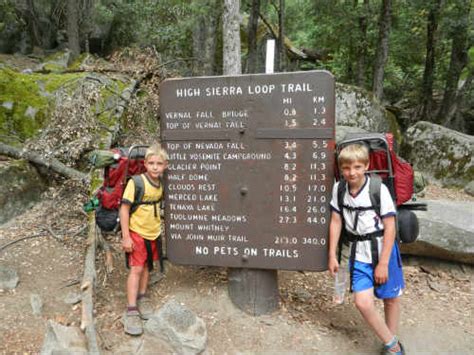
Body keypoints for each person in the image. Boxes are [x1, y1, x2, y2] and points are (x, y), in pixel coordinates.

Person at [328, 143, 405, 354]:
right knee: (363, 303)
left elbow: (390, 227)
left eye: (357, 167)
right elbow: (336, 221)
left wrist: (382, 263)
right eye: (346, 168)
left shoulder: (378, 189)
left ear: (366, 166)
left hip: (383, 251)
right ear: (341, 168)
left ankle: (388, 343)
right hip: (358, 253)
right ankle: (393, 344)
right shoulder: (339, 189)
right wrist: (332, 255)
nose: (351, 173)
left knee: (390, 299)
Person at [120, 144, 168, 335]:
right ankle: (131, 309)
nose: (155, 167)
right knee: (136, 268)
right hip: (137, 232)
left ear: (165, 166)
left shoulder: (161, 183)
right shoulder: (137, 182)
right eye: (151, 163)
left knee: (148, 266)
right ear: (145, 164)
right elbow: (124, 209)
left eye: (159, 163)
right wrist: (125, 237)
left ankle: (143, 296)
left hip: (153, 233)